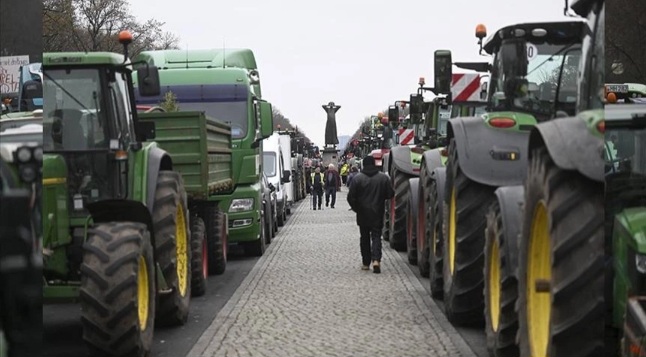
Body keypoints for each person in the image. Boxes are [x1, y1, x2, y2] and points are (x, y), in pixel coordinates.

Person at [347, 156, 394, 273]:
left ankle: (366, 262)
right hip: (378, 212)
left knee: (364, 238)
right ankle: (376, 260)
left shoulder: (357, 179)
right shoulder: (383, 178)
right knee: (376, 236)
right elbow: (390, 194)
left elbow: (350, 197)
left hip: (362, 213)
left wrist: (356, 208)